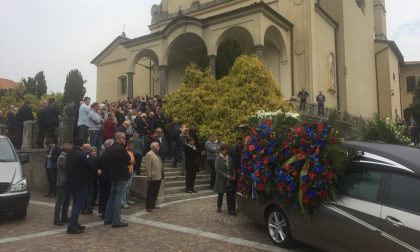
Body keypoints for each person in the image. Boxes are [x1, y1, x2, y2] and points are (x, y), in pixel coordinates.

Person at [102, 132, 131, 228]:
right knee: (119, 198)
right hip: (121, 176)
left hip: (113, 176)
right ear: (119, 138)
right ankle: (116, 221)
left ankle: (107, 218)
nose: (125, 140)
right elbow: (129, 160)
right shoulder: (121, 149)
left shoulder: (110, 149)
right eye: (124, 138)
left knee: (112, 197)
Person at [66, 137, 92, 234]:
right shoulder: (82, 155)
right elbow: (90, 165)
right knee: (78, 205)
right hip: (81, 182)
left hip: (72, 182)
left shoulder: (69, 154)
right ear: (82, 145)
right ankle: (72, 227)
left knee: (75, 204)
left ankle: (75, 223)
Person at [53, 143, 72, 226]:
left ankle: (64, 217)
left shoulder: (66, 157)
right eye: (70, 150)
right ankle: (56, 219)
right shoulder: (62, 158)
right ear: (66, 150)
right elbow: (67, 169)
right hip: (62, 182)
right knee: (60, 202)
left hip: (67, 182)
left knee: (67, 201)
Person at [214, 145, 236, 215]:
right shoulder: (218, 158)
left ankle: (230, 209)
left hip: (229, 179)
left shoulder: (228, 158)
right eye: (225, 150)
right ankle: (219, 206)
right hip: (222, 179)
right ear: (221, 150)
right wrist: (226, 175)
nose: (226, 151)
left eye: (227, 150)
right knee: (221, 193)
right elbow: (217, 170)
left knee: (229, 194)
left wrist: (234, 175)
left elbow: (232, 167)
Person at [144, 142, 163, 212]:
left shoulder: (157, 154)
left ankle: (152, 204)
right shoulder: (149, 154)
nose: (159, 147)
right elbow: (147, 166)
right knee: (150, 192)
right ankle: (148, 206)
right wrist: (149, 176)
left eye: (158, 146)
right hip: (152, 177)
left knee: (155, 192)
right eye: (157, 146)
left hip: (158, 176)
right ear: (153, 147)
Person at [97, 139, 113, 219]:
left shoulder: (103, 154)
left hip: (103, 177)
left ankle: (101, 211)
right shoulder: (109, 154)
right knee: (107, 196)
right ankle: (105, 213)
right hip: (107, 178)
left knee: (103, 195)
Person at [229, 137, 244, 210]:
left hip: (242, 172)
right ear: (236, 142)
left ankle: (240, 205)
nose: (239, 144)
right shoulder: (232, 150)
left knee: (241, 189)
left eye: (241, 143)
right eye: (238, 143)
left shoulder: (244, 149)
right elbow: (229, 161)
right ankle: (233, 206)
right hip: (234, 173)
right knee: (233, 189)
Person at [122, 140, 136, 209]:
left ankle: (127, 200)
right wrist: (131, 162)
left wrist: (132, 162)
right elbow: (128, 161)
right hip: (126, 171)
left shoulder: (131, 152)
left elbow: (133, 162)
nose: (133, 147)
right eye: (132, 145)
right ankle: (123, 202)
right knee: (125, 187)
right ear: (128, 145)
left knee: (128, 187)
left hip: (131, 171)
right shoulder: (124, 152)